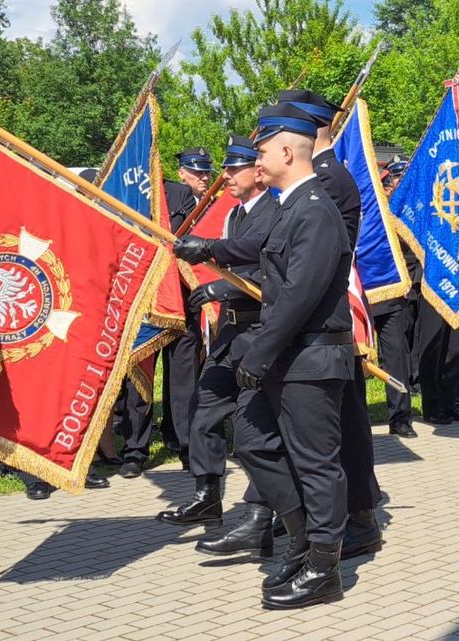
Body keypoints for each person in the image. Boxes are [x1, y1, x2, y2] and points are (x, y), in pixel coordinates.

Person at [176, 103, 352, 609]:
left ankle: (324, 568)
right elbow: (254, 248)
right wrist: (207, 249)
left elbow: (298, 293)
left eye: (260, 149)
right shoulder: (292, 205)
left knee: (317, 465)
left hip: (311, 358)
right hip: (285, 357)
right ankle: (298, 540)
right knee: (253, 443)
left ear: (284, 150)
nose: (256, 159)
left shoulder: (315, 208)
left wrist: (259, 351)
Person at [156, 136, 278, 539]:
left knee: (253, 426)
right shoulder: (236, 214)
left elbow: (263, 262)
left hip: (260, 329)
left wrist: (220, 284)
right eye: (224, 168)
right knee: (205, 410)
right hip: (231, 328)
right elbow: (235, 250)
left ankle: (261, 510)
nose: (223, 176)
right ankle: (207, 493)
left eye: (233, 168)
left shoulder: (275, 212)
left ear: (257, 172)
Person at [279, 89, 381, 561]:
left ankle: (359, 518)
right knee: (333, 425)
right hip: (316, 319)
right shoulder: (318, 176)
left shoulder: (329, 178)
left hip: (328, 317)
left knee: (347, 423)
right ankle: (334, 517)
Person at [148, 147, 213, 476]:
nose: (204, 178)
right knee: (141, 375)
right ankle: (136, 445)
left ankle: (183, 439)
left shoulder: (203, 201)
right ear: (182, 172)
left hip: (183, 298)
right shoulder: (167, 193)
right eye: (198, 172)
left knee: (183, 376)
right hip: (149, 298)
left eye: (207, 173)